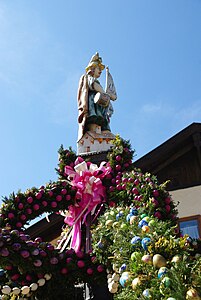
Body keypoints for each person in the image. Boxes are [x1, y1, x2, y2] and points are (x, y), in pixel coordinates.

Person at [77, 53, 117, 141]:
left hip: (99, 105)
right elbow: (94, 86)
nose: (100, 71)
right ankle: (93, 133)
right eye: (99, 68)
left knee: (102, 120)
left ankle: (104, 132)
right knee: (95, 119)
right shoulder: (88, 78)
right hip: (93, 104)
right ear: (92, 69)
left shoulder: (94, 80)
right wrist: (108, 95)